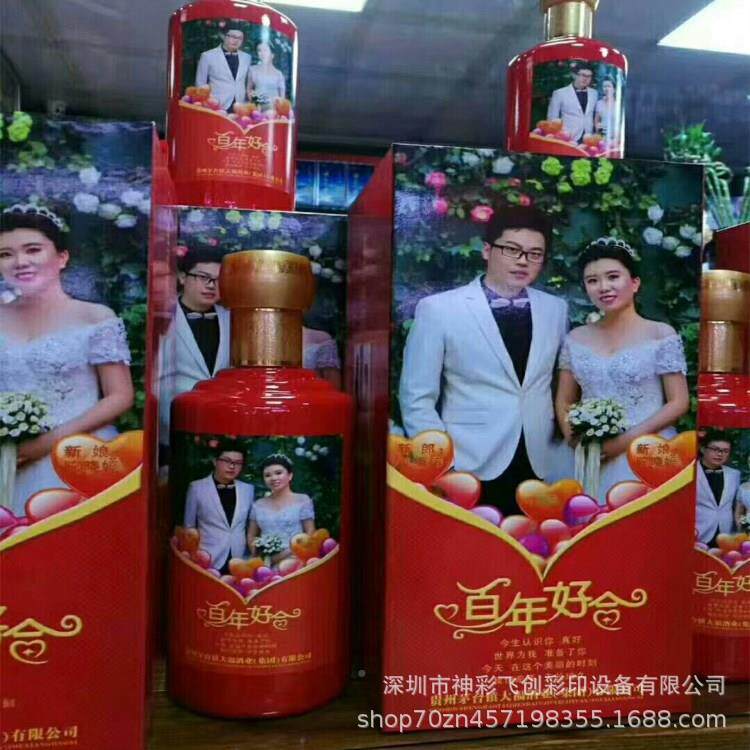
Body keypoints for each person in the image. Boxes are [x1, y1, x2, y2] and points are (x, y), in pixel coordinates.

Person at [399, 207, 568, 516]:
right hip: (467, 459)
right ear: (487, 250)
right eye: (512, 250)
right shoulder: (439, 309)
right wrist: (440, 464)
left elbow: (559, 383)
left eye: (534, 254)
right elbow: (416, 397)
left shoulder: (556, 309)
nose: (523, 261)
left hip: (540, 459)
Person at [0, 204, 133, 514]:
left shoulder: (94, 317)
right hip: (8, 457)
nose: (20, 262)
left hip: (79, 453)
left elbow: (120, 396)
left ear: (62, 257)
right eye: (5, 254)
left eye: (33, 250)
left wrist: (46, 444)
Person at [555, 238, 690, 503]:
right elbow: (565, 400)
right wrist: (576, 441)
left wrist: (624, 442)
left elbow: (678, 402)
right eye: (592, 281)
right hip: (586, 455)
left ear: (635, 283)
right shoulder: (576, 338)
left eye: (613, 277)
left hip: (646, 449)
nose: (603, 287)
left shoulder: (660, 334)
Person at [158, 246, 230, 448]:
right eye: (203, 277)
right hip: (171, 424)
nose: (211, 286)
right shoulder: (161, 316)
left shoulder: (232, 319)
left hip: (221, 426)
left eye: (218, 280)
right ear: (182, 277)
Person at [183, 445, 254, 572]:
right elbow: (189, 527)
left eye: (238, 463)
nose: (232, 466)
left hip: (239, 558)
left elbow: (251, 526)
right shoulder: (196, 488)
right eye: (227, 461)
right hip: (207, 557)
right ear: (215, 461)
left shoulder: (248, 489)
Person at [247, 453, 315, 564]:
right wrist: (262, 556)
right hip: (267, 562)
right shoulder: (258, 505)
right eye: (267, 475)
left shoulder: (302, 500)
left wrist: (287, 553)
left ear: (290, 475)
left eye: (278, 473)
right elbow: (251, 535)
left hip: (296, 557)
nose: (273, 478)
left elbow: (310, 532)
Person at [694, 435, 740, 545]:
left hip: (726, 533)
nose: (720, 454)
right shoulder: (689, 472)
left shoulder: (734, 474)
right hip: (698, 532)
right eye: (715, 449)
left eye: (725, 451)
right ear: (703, 449)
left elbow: (737, 505)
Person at [195, 28, 252, 112]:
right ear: (223, 36)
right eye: (233, 36)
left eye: (240, 38)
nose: (236, 41)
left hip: (240, 106)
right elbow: (200, 84)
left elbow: (249, 83)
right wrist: (207, 103)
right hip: (216, 105)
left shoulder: (247, 57)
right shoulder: (207, 56)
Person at [547, 64, 598, 144]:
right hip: (567, 138)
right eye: (583, 75)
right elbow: (552, 118)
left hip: (588, 138)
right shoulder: (559, 93)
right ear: (574, 75)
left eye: (589, 76)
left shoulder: (594, 93)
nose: (586, 79)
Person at [247, 42, 286, 112]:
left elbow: (282, 97)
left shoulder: (279, 74)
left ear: (272, 54)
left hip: (274, 110)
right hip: (257, 109)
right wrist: (257, 103)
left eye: (265, 50)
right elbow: (249, 90)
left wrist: (276, 108)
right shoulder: (252, 70)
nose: (262, 53)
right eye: (259, 50)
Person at [594, 77, 620, 144]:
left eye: (608, 86)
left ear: (614, 89)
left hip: (616, 139)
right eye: (604, 86)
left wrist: (616, 139)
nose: (606, 88)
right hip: (602, 139)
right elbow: (596, 121)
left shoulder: (619, 104)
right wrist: (599, 131)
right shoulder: (599, 103)